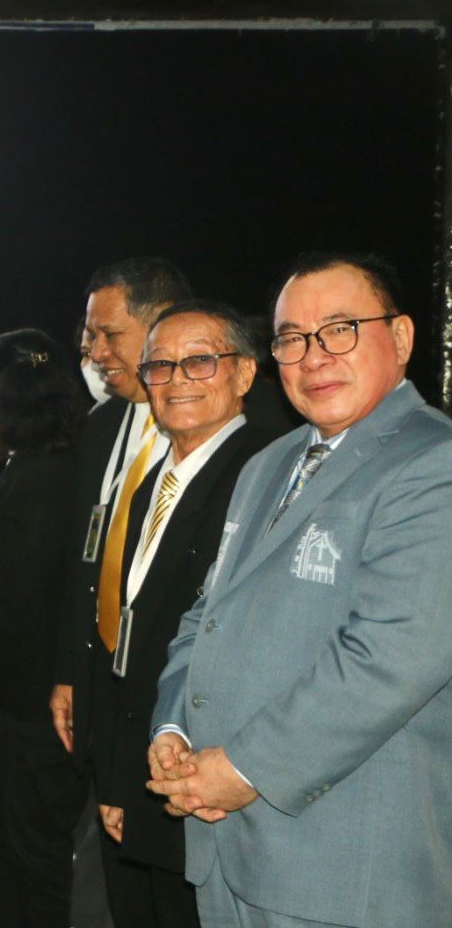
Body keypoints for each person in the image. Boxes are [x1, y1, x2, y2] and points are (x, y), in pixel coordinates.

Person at [148, 254, 452, 927]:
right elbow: (207, 613)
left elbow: (389, 661)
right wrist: (173, 726)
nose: (314, 357)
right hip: (228, 848)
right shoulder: (270, 463)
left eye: (340, 329)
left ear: (401, 338)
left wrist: (242, 770)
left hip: (346, 867)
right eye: (291, 338)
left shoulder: (435, 463)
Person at [86, 301, 270, 928]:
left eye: (200, 361)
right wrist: (119, 777)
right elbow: (130, 637)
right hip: (143, 766)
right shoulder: (152, 481)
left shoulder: (265, 474)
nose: (177, 379)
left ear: (244, 373)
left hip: (209, 777)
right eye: (160, 366)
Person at [51, 258, 192, 927]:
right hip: (102, 690)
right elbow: (85, 562)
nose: (95, 353)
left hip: (173, 703)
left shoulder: (222, 431)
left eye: (109, 335)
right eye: (90, 337)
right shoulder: (105, 424)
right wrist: (69, 671)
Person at [0, 329, 88, 927]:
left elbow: (21, 600)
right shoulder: (53, 465)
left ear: (1, 394)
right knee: (6, 836)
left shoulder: (44, 478)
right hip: (27, 701)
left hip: (38, 707)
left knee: (31, 852)